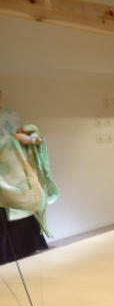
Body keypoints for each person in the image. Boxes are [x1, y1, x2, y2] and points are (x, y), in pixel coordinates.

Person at [0, 91, 58, 264]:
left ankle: (29, 252)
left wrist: (29, 137)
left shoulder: (11, 115)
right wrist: (14, 140)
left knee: (23, 214)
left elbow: (27, 136)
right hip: (4, 175)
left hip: (18, 172)